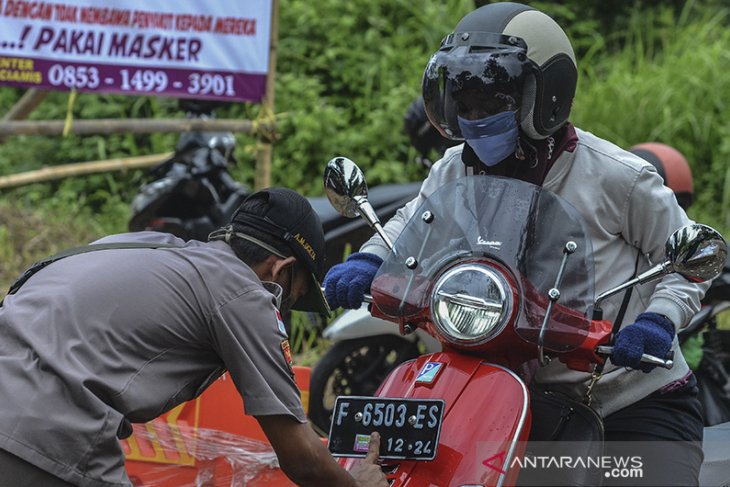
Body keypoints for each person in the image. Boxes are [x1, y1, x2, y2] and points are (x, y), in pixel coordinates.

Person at [325, 3, 711, 485]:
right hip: (513, 395)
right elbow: (412, 220)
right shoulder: (454, 168)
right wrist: (368, 259)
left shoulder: (618, 176)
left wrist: (659, 321)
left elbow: (689, 259)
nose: (475, 117)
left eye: (492, 104)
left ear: (546, 95)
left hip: (627, 398)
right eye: (463, 104)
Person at [0, 187, 387, 487]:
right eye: (293, 298)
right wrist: (357, 483)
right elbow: (301, 458)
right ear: (280, 271)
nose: (281, 312)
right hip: (44, 434)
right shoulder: (245, 293)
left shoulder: (141, 246)